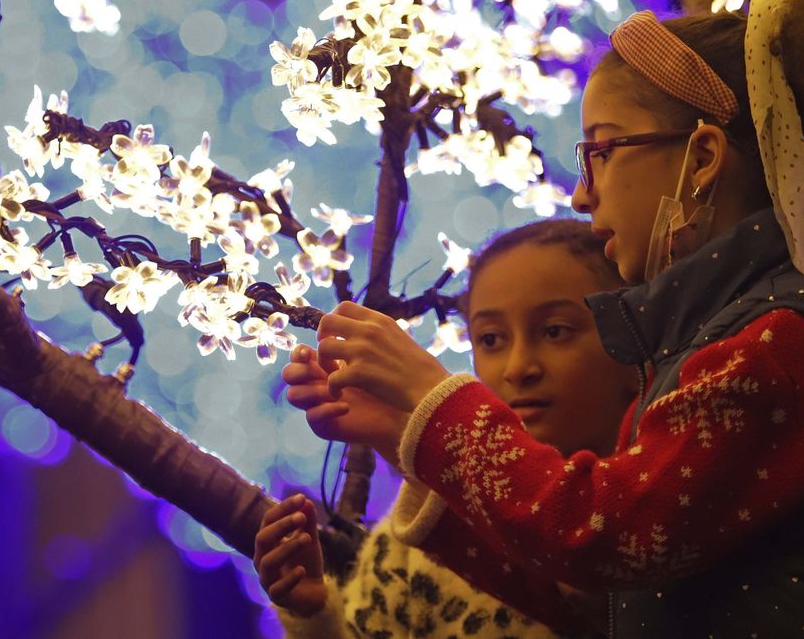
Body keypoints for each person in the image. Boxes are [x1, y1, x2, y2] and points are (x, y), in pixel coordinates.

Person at [289, 0, 804, 636]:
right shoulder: (733, 330)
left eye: (603, 150)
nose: (580, 192)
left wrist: (435, 399)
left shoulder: (781, 340)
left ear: (703, 158)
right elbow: (604, 606)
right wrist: (404, 432)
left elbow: (602, 535)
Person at [256, 219, 638, 637]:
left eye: (554, 331)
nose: (517, 368)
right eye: (491, 340)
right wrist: (315, 619)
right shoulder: (420, 534)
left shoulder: (656, 507)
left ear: (630, 340)